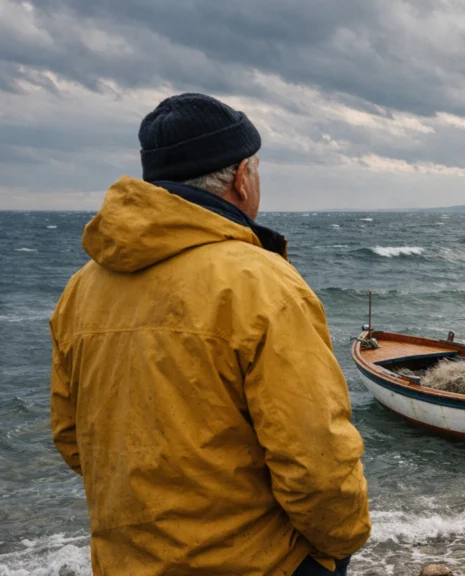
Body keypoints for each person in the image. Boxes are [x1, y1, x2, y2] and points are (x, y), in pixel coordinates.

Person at [49, 93, 370, 575]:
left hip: (127, 562)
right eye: (256, 168)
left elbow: (72, 437)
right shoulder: (261, 283)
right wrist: (340, 544)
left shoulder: (81, 288)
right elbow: (314, 458)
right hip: (259, 563)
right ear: (241, 178)